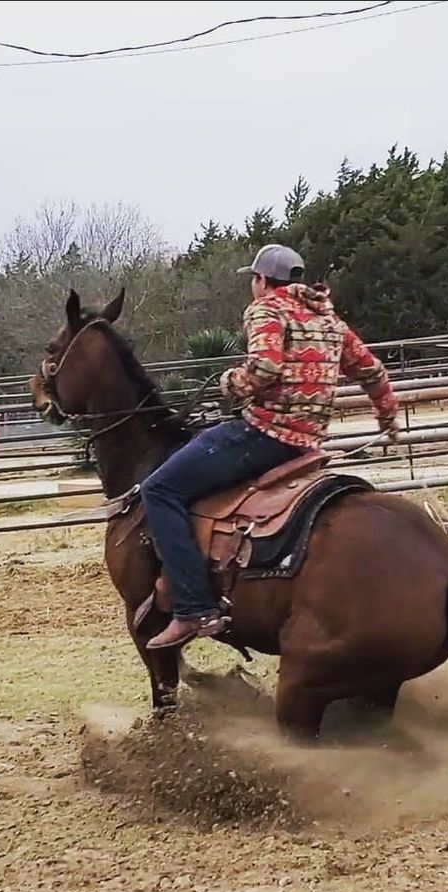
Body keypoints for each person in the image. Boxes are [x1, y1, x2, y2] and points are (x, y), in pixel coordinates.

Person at [142, 244, 399, 649]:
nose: (253, 287)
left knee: (159, 490)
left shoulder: (265, 309)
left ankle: (192, 608)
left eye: (254, 280)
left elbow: (264, 368)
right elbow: (371, 369)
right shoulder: (328, 317)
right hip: (308, 445)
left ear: (261, 280)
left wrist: (231, 382)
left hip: (264, 436)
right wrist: (387, 415)